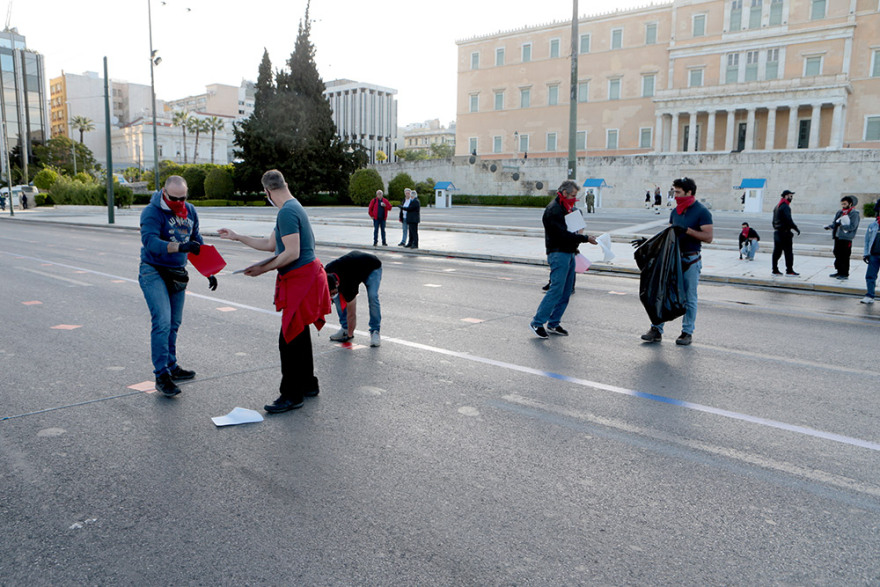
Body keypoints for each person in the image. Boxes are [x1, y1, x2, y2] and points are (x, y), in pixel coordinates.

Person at [218, 170, 331, 414]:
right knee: (298, 334)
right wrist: (237, 237)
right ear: (284, 184)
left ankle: (291, 395)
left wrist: (261, 269)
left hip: (302, 279)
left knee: (289, 338)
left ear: (267, 192)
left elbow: (292, 252)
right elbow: (270, 245)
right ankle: (308, 384)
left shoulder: (288, 212)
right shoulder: (290, 208)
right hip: (305, 277)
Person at [138, 175, 216, 397]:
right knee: (162, 320)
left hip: (176, 271)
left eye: (184, 198)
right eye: (175, 199)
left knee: (174, 322)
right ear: (164, 193)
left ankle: (172, 366)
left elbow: (197, 242)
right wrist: (181, 247)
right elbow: (150, 242)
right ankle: (161, 374)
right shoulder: (152, 212)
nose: (180, 203)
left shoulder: (190, 210)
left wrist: (209, 271)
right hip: (153, 270)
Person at [640, 177, 713, 346]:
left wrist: (687, 230)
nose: (675, 195)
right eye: (674, 191)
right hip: (672, 258)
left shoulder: (702, 212)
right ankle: (656, 329)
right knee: (662, 292)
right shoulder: (675, 212)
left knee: (689, 297)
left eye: (678, 192)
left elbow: (708, 237)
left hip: (691, 259)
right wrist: (649, 242)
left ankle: (687, 332)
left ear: (689, 192)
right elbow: (669, 236)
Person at [529, 180, 597, 339]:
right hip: (558, 253)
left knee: (566, 291)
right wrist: (585, 238)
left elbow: (571, 230)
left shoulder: (566, 207)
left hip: (569, 252)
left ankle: (553, 322)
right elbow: (563, 235)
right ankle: (537, 322)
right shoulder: (554, 210)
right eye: (573, 195)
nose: (575, 199)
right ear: (564, 193)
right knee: (556, 289)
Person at [325, 251, 383, 347]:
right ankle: (344, 328)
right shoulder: (325, 272)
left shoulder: (348, 284)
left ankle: (375, 331)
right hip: (354, 266)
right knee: (337, 299)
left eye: (333, 292)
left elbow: (351, 313)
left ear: (337, 285)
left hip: (372, 267)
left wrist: (349, 335)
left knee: (373, 296)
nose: (331, 296)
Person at [824, 195, 860, 280]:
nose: (843, 206)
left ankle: (844, 273)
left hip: (846, 238)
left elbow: (853, 226)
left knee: (845, 255)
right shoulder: (840, 212)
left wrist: (842, 226)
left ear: (850, 204)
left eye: (845, 204)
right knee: (837, 253)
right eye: (842, 204)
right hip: (838, 237)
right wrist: (830, 227)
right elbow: (835, 223)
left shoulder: (854, 214)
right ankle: (839, 271)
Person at [771, 189, 800, 276]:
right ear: (786, 196)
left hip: (777, 233)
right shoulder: (785, 206)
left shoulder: (777, 206)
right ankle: (789, 270)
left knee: (777, 252)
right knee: (788, 252)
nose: (791, 198)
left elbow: (773, 222)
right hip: (784, 233)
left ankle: (775, 269)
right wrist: (796, 228)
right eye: (791, 196)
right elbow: (789, 220)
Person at [861, 203, 879, 304]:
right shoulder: (873, 225)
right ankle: (870, 295)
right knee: (870, 276)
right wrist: (866, 253)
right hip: (874, 255)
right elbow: (867, 241)